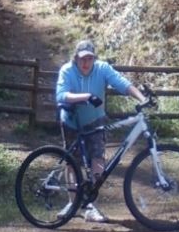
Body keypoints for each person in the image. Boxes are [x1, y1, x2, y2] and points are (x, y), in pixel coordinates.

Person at [55, 39, 145, 222]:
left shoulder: (102, 68)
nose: (86, 63)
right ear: (76, 59)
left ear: (94, 58)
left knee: (97, 160)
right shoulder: (67, 70)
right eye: (82, 59)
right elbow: (61, 94)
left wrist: (141, 98)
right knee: (73, 163)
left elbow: (122, 84)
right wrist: (86, 96)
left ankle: (88, 205)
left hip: (96, 121)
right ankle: (72, 204)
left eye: (90, 58)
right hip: (72, 121)